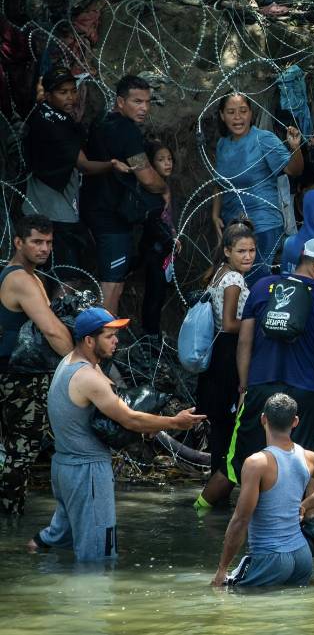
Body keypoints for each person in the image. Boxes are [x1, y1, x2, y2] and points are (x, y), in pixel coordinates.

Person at [29, 308, 203, 560]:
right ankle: (96, 598)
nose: (116, 341)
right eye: (109, 336)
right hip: (87, 472)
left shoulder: (69, 362)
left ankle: (31, 554)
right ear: (89, 340)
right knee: (99, 554)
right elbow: (129, 418)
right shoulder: (88, 376)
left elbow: (118, 405)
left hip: (64, 467)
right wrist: (175, 422)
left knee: (56, 536)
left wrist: (149, 425)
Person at [229, 238, 314, 484]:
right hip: (304, 392)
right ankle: (294, 517)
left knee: (248, 463)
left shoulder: (261, 286)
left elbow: (244, 342)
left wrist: (244, 386)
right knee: (298, 463)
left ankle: (241, 515)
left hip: (260, 386)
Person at [211, 394, 314, 587]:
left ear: (263, 419)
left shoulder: (256, 463)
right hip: (302, 556)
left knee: (222, 592)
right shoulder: (308, 457)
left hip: (270, 557)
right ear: (295, 422)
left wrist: (222, 570)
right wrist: (307, 505)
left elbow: (240, 520)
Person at [0, 215, 74, 515]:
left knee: (16, 450)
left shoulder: (29, 277)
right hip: (18, 378)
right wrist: (78, 365)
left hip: (18, 373)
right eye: (37, 242)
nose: (45, 249)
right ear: (19, 242)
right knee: (21, 451)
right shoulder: (19, 278)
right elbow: (52, 330)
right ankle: (9, 517)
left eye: (49, 243)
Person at [81, 74, 167, 313]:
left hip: (94, 207)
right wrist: (165, 189)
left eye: (148, 102)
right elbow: (146, 175)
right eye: (137, 101)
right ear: (120, 101)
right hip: (111, 216)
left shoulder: (100, 123)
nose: (144, 108)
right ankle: (103, 342)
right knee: (112, 285)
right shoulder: (127, 131)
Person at [21, 66, 110, 274]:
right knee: (67, 275)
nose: (71, 97)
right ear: (49, 94)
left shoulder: (40, 114)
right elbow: (84, 165)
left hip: (34, 206)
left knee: (38, 271)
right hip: (57, 211)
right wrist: (114, 165)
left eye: (73, 90)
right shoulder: (59, 125)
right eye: (63, 92)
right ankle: (53, 307)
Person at [194, 220, 256, 510]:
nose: (248, 256)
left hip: (218, 353)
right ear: (228, 251)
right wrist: (258, 323)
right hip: (228, 354)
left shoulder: (220, 273)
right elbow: (230, 323)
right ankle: (219, 488)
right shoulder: (234, 280)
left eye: (252, 251)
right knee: (228, 425)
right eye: (241, 251)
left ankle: (216, 488)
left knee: (220, 425)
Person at [211, 92, 304, 283]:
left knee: (255, 283)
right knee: (236, 284)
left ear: (251, 113)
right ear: (222, 115)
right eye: (231, 112)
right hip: (233, 226)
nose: (237, 117)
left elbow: (293, 169)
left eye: (243, 111)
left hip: (263, 225)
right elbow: (219, 184)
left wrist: (295, 148)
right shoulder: (222, 144)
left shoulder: (264, 139)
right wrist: (215, 214)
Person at [138, 141, 178, 337]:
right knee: (154, 294)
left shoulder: (165, 188)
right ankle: (150, 335)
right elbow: (153, 222)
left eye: (169, 159)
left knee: (159, 294)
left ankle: (153, 332)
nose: (167, 163)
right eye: (161, 160)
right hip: (155, 252)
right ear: (151, 165)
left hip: (164, 251)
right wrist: (170, 240)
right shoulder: (152, 192)